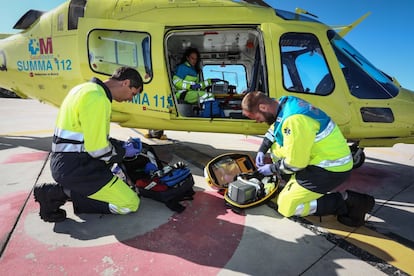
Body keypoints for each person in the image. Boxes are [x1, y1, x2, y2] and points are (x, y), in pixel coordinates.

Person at [241, 91, 375, 227]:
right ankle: (300, 186)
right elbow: (274, 130)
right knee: (280, 150)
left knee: (286, 206)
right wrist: (262, 150)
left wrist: (271, 169)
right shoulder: (284, 103)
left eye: (256, 117)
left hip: (330, 168)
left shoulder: (294, 120)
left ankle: (349, 202)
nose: (258, 121)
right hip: (317, 160)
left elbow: (296, 163)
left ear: (263, 107)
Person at [34, 66, 144, 223]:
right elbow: (98, 150)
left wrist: (118, 145)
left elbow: (86, 137)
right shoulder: (98, 99)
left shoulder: (83, 89)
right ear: (125, 83)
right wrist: (123, 152)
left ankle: (60, 192)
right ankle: (55, 193)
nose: (130, 99)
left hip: (66, 162)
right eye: (133, 94)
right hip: (79, 167)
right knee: (130, 203)